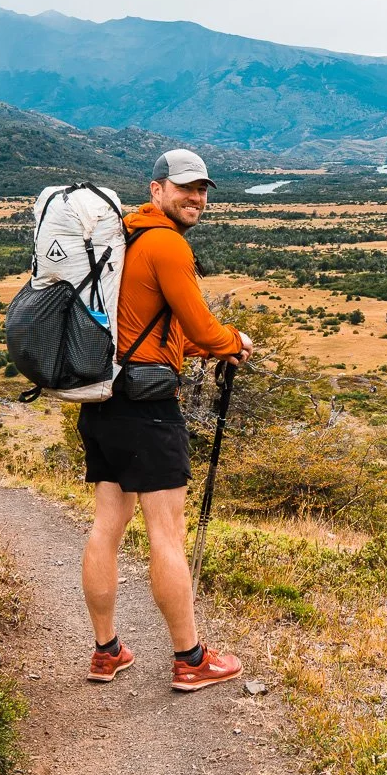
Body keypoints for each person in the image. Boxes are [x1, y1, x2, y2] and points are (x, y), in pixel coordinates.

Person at [80, 149, 253, 690]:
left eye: (202, 189)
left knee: (107, 526)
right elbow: (201, 328)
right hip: (149, 411)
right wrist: (233, 343)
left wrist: (198, 349)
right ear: (157, 190)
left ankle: (106, 652)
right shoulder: (166, 244)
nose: (196, 199)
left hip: (102, 398)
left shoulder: (121, 237)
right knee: (166, 534)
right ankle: (191, 659)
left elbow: (149, 327)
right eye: (185, 188)